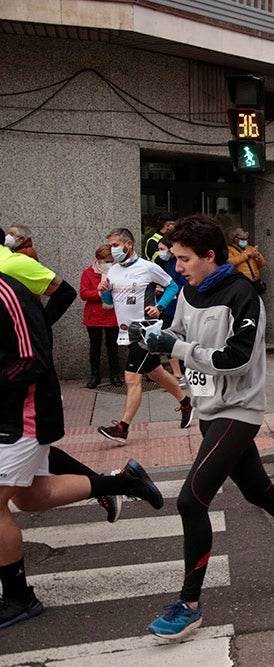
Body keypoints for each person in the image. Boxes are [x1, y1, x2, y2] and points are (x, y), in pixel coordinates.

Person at [141, 215, 274, 639]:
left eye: (184, 259)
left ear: (210, 256)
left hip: (240, 409)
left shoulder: (243, 295)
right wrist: (155, 335)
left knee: (191, 501)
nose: (177, 268)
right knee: (257, 490)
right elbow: (178, 329)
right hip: (210, 408)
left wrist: (176, 347)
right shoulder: (192, 289)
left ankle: (190, 605)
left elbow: (235, 359)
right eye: (176, 259)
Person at [0, 270, 164, 630]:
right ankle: (122, 483)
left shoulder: (6, 293)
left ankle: (18, 598)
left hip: (19, 415)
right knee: (31, 497)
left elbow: (30, 359)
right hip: (14, 416)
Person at [96, 227, 193, 444]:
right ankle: (186, 403)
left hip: (145, 330)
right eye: (111, 246)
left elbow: (173, 286)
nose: (113, 251)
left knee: (132, 378)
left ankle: (122, 428)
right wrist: (103, 290)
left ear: (128, 245)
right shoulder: (112, 271)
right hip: (126, 332)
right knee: (155, 373)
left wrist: (159, 307)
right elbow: (110, 303)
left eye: (115, 245)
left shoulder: (147, 268)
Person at [79, 244, 122, 389]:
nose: (109, 264)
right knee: (95, 346)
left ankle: (114, 375)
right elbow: (84, 294)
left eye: (111, 261)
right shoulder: (88, 273)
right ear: (99, 259)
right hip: (94, 316)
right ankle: (94, 376)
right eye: (106, 261)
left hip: (112, 315)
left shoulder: (118, 272)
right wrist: (100, 293)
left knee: (112, 346)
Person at [156, 239, 190, 386]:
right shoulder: (168, 264)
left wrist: (166, 291)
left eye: (162, 248)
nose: (159, 252)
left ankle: (180, 373)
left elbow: (184, 285)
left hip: (177, 306)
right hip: (169, 308)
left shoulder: (177, 264)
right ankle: (179, 372)